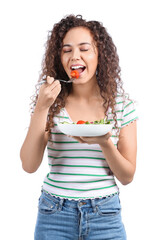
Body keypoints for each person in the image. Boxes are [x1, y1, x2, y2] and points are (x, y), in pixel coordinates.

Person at [20, 14, 138, 240]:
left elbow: (127, 176)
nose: (75, 56)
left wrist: (105, 143)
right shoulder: (50, 103)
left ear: (99, 55)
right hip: (54, 212)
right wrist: (41, 108)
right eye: (67, 50)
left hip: (105, 214)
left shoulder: (122, 105)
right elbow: (28, 164)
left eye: (84, 48)